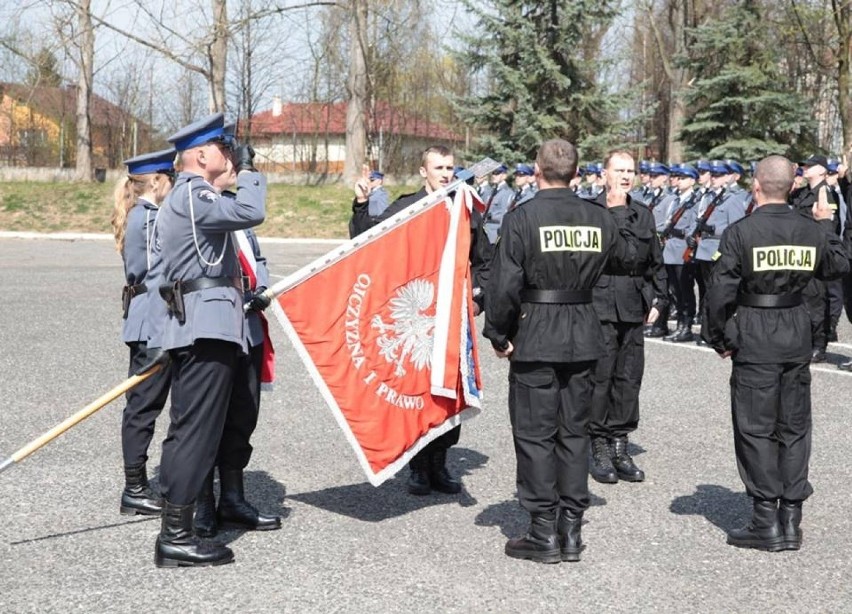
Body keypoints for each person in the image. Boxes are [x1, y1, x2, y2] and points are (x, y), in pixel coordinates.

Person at [483, 139, 638, 564]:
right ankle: (571, 528)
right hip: (585, 333)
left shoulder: (522, 218)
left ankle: (542, 531)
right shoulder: (598, 218)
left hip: (536, 334)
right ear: (576, 172)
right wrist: (620, 212)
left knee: (536, 435)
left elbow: (504, 286)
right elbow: (628, 259)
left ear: (537, 169)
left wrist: (499, 333)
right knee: (574, 434)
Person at [703, 155, 848, 552]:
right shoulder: (811, 230)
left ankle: (766, 519)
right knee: (794, 426)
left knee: (755, 426)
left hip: (755, 332)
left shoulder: (741, 232)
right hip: (796, 332)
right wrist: (825, 225)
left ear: (756, 185)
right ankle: (791, 520)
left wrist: (719, 337)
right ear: (792, 187)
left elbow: (719, 292)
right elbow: (838, 265)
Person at [146, 112, 267, 567]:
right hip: (205, 326)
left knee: (195, 430)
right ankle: (176, 535)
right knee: (195, 433)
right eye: (226, 148)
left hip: (206, 324)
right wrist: (251, 173)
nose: (233, 156)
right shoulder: (194, 194)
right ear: (200, 155)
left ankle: (181, 528)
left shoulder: (196, 196)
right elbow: (251, 211)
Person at [350, 145, 478, 495]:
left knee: (450, 392)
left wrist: (478, 297)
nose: (446, 173)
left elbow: (482, 256)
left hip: (451, 319)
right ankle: (418, 466)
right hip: (417, 321)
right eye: (438, 167)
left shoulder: (462, 206)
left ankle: (440, 462)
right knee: (419, 391)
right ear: (424, 171)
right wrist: (362, 205)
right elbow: (367, 241)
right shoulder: (408, 205)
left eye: (450, 167)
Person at [192, 134, 282, 538]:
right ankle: (203, 505)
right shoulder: (204, 209)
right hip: (215, 333)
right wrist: (250, 173)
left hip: (248, 329)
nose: (234, 164)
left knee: (243, 417)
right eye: (229, 157)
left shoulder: (234, 214)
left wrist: (261, 289)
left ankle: (233, 497)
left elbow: (255, 259)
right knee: (208, 421)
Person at [587, 151, 665, 485]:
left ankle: (620, 443)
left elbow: (653, 261)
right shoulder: (589, 212)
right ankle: (598, 444)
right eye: (618, 170)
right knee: (600, 377)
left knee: (629, 377)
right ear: (603, 174)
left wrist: (660, 298)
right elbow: (612, 254)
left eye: (631, 170)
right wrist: (616, 212)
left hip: (633, 305)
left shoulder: (643, 213)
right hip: (600, 305)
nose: (625, 176)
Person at [111, 148, 176, 516]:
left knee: (143, 406)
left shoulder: (145, 214)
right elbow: (157, 278)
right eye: (170, 176)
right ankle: (134, 488)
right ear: (155, 181)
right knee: (142, 407)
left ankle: (139, 485)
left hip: (149, 320)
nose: (173, 183)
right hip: (150, 324)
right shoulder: (147, 219)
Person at [789, 155, 842, 362]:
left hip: (815, 253)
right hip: (797, 252)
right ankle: (803, 341)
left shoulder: (825, 193)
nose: (806, 169)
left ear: (822, 170)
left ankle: (819, 345)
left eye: (810, 166)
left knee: (816, 301)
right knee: (799, 298)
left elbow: (829, 226)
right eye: (805, 166)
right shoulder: (801, 193)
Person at [661, 165, 703, 343]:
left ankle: (686, 326)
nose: (679, 180)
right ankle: (679, 325)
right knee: (675, 291)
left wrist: (684, 235)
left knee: (685, 291)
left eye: (684, 178)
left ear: (692, 181)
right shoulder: (675, 199)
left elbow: (694, 226)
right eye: (678, 177)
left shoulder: (695, 201)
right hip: (670, 250)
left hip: (682, 252)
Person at [483, 164, 515, 243]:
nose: (494, 175)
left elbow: (504, 215)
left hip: (495, 234)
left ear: (504, 176)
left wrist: (500, 236)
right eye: (493, 173)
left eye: (497, 173)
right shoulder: (494, 190)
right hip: (488, 232)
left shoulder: (507, 192)